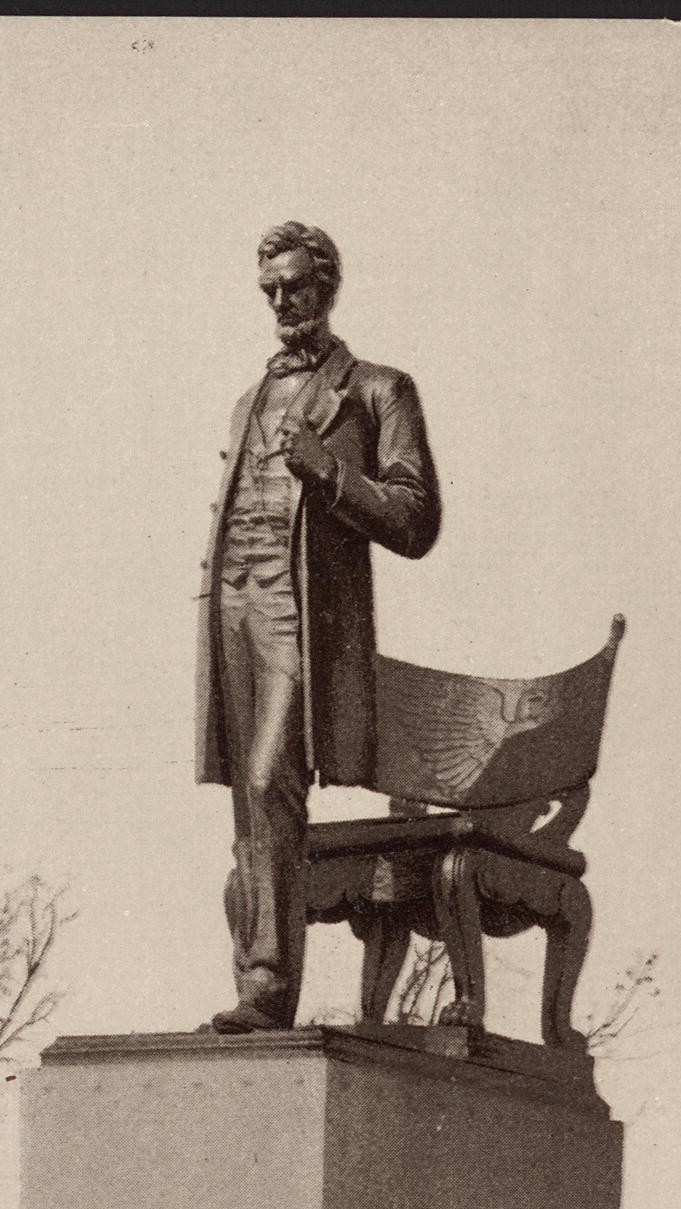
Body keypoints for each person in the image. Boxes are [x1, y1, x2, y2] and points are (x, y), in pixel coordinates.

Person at [196, 222, 441, 1032]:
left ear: (327, 286)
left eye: (295, 285)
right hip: (235, 603)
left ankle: (266, 987)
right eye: (268, 288)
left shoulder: (377, 389)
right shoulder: (246, 399)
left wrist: (332, 472)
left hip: (305, 615)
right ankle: (253, 980)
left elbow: (415, 519)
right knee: (246, 799)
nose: (281, 301)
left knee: (271, 779)